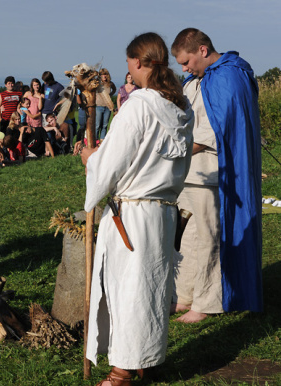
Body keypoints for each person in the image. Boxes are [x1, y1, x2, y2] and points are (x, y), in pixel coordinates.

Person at [82, 32, 193, 384]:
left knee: (131, 290)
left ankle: (122, 372)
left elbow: (112, 161)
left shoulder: (141, 104)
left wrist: (90, 160)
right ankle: (147, 359)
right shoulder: (180, 106)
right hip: (161, 212)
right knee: (152, 288)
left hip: (133, 213)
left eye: (129, 62)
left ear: (139, 63)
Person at [170, 28, 263, 323]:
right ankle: (185, 295)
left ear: (202, 50)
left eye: (186, 62)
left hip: (214, 174)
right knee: (188, 238)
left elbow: (217, 130)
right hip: (190, 173)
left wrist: (176, 151)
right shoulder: (196, 81)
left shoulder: (230, 77)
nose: (184, 69)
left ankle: (207, 301)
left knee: (210, 238)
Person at [95, 68, 116, 140]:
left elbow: (114, 89)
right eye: (102, 75)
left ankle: (102, 141)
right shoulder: (97, 83)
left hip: (108, 107)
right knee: (97, 125)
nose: (104, 76)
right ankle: (95, 141)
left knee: (105, 125)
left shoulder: (110, 84)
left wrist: (110, 95)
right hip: (99, 106)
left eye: (105, 74)